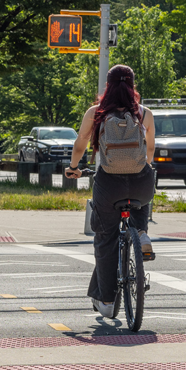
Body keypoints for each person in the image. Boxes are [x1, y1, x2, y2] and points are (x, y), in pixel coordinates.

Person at [65, 65, 156, 317]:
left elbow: (80, 144)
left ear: (107, 86)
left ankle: (106, 301)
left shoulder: (97, 113)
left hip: (109, 185)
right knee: (146, 179)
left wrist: (73, 168)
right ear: (133, 86)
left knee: (105, 239)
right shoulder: (144, 113)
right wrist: (141, 168)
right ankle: (142, 232)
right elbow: (150, 151)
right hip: (141, 184)